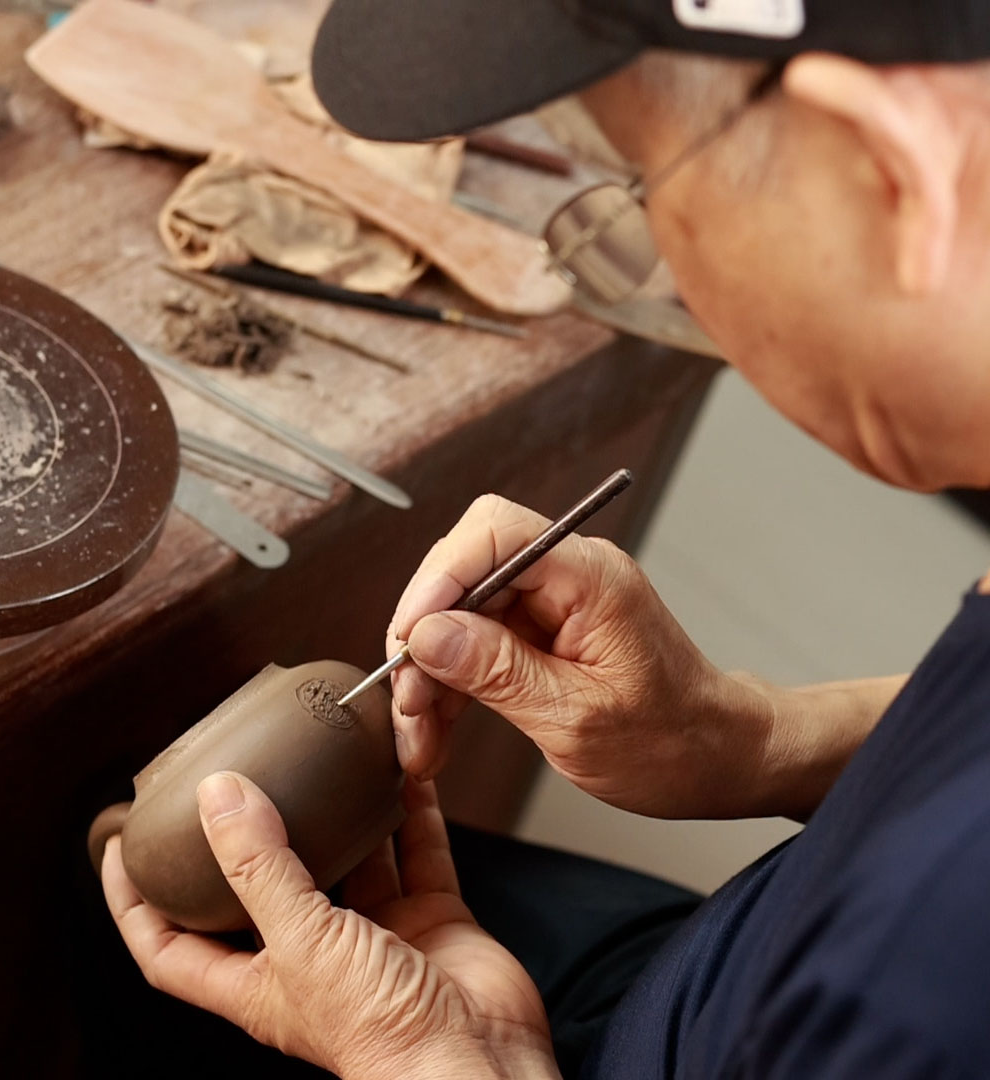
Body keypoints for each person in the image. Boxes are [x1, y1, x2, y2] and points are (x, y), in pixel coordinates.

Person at [100, 1, 990, 1076]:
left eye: (641, 186)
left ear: (890, 172)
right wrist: (748, 741)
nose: (665, 267)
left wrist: (425, 1059)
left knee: (114, 938)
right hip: (727, 964)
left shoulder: (923, 986)